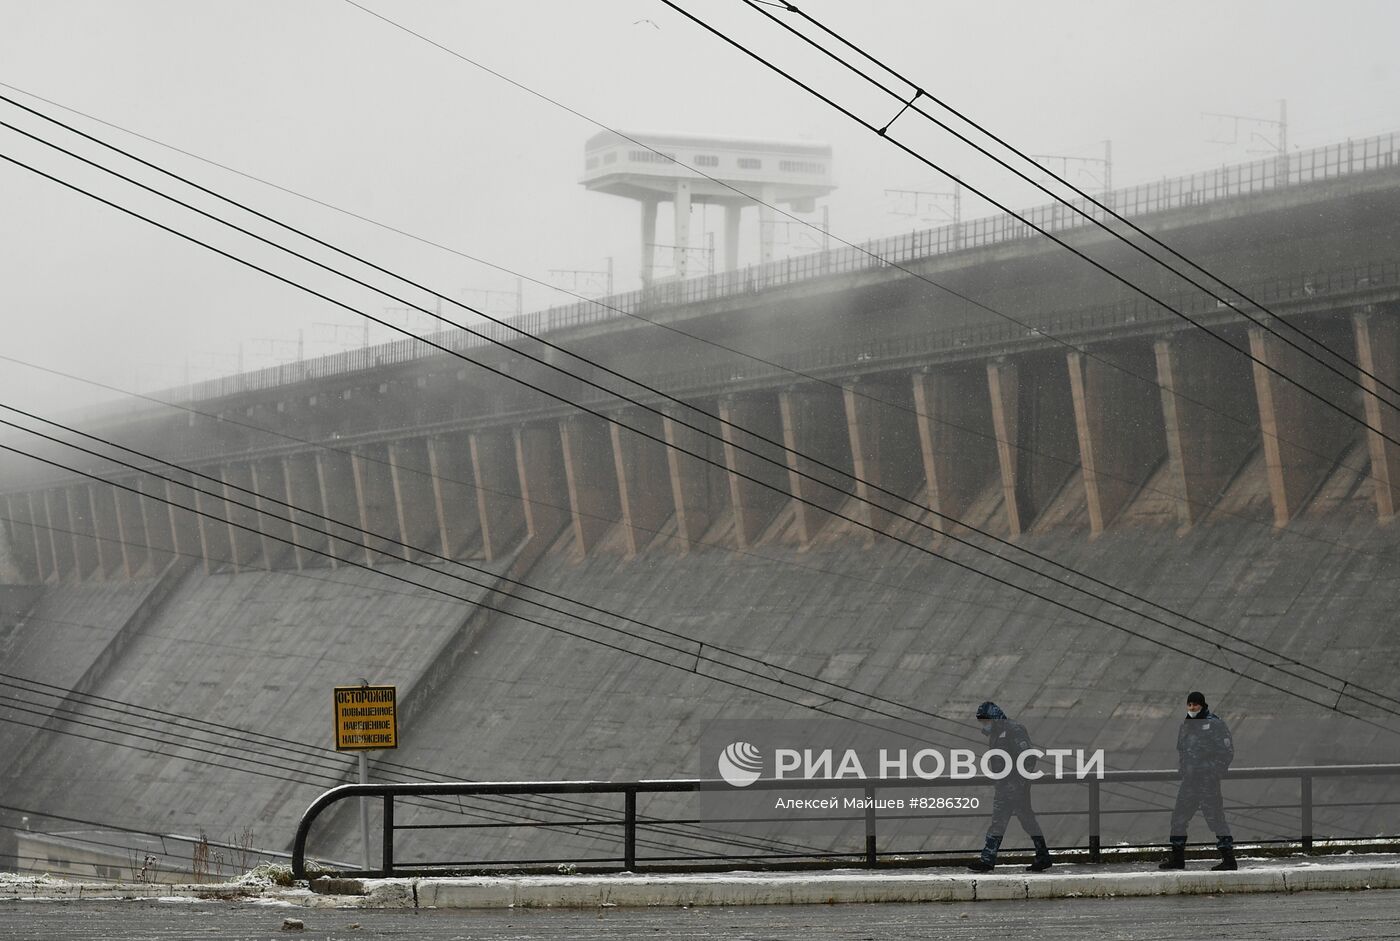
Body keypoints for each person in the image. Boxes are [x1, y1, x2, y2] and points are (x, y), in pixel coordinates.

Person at [967, 701, 1052, 873]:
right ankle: (989, 860)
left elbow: (1028, 757)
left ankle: (989, 860)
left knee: (1023, 822)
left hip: (1015, 786)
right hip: (1005, 785)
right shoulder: (998, 733)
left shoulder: (1014, 729)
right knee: (1009, 822)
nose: (984, 725)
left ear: (994, 717)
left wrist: (1018, 783)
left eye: (985, 721)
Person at [1159, 691, 1236, 871]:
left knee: (1216, 818)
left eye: (1195, 705)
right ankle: (1177, 858)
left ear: (1202, 705)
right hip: (1190, 781)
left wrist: (1213, 773)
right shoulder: (1186, 725)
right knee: (1178, 818)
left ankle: (1229, 859)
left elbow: (1226, 752)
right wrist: (1184, 769)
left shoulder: (1215, 724)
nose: (1192, 708)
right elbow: (1182, 750)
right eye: (1190, 705)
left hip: (1207, 781)